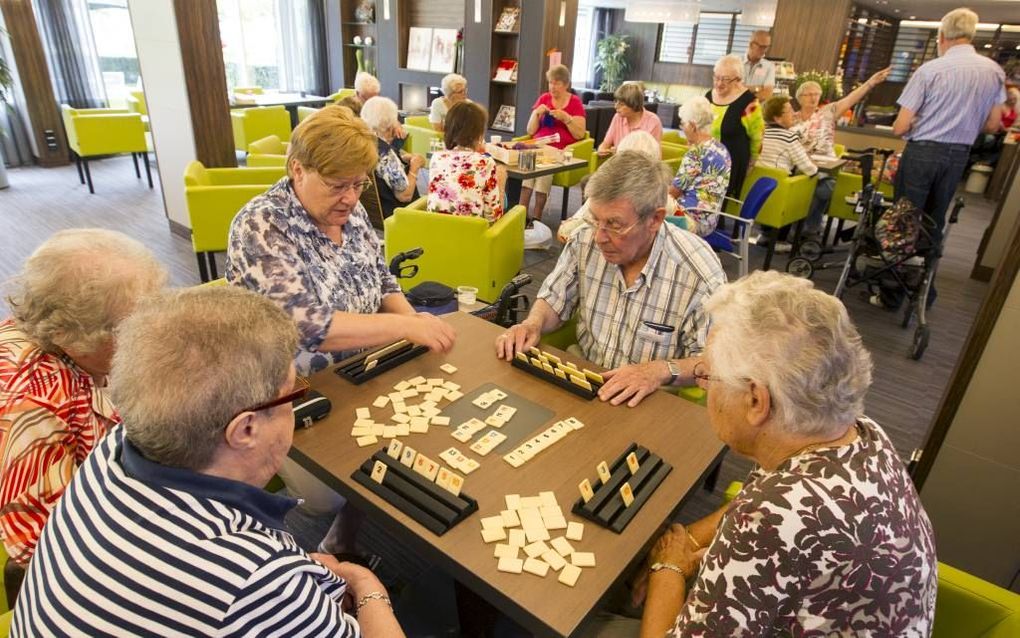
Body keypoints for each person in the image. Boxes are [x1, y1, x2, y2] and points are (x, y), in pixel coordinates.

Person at [10, 286, 405, 637]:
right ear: (245, 429)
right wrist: (366, 583)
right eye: (292, 393)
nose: (298, 401)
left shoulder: (114, 448)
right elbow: (247, 587)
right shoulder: (252, 583)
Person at [634, 271, 936, 636]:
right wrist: (688, 542)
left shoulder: (775, 522)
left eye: (710, 376)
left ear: (756, 400)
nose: (703, 385)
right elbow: (749, 505)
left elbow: (767, 521)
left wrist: (667, 567)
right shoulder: (849, 431)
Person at [226, 105, 455, 555]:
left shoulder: (352, 215)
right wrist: (406, 328)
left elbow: (384, 280)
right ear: (297, 170)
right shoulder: (260, 226)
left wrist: (416, 323)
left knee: (429, 430)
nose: (351, 199)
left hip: (364, 370)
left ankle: (345, 538)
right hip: (295, 394)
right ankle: (318, 552)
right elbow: (309, 326)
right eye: (337, 185)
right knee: (331, 490)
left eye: (358, 184)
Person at [0, 229, 166, 607]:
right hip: (89, 573)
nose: (150, 334)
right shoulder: (32, 400)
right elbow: (44, 544)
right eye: (133, 327)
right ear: (72, 335)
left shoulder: (80, 350)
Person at [496, 151, 726, 408]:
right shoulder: (584, 239)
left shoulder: (698, 272)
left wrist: (657, 371)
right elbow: (555, 299)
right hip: (584, 379)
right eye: (595, 219)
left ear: (655, 220)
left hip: (650, 399)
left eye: (614, 224)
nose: (599, 237)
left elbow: (713, 362)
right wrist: (532, 324)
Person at [891, 8, 1005, 262]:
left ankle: (892, 287)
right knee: (935, 219)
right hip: (958, 155)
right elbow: (993, 125)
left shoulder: (930, 70)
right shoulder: (994, 71)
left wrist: (924, 120)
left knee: (905, 217)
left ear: (943, 36)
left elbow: (899, 127)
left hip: (923, 152)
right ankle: (923, 288)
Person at [758, 95, 829, 247]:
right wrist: (811, 161)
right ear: (777, 118)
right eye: (789, 111)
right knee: (825, 185)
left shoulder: (759, 134)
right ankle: (798, 235)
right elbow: (810, 170)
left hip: (756, 192)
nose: (794, 114)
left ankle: (766, 234)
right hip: (780, 194)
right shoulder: (789, 137)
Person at [520, 64, 587, 225]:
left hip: (559, 150)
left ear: (566, 85)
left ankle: (536, 219)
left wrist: (566, 118)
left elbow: (579, 134)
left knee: (543, 170)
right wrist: (537, 113)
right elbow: (530, 129)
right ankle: (521, 216)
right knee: (528, 167)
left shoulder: (575, 102)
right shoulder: (544, 99)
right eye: (550, 82)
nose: (552, 86)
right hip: (537, 146)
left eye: (557, 83)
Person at [427, 101, 507, 221]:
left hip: (436, 232)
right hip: (472, 236)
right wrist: (501, 184)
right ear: (479, 133)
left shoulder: (436, 157)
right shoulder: (485, 162)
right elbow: (493, 217)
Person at [793, 66, 891, 157]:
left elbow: (850, 100)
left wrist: (870, 83)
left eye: (816, 94)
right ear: (799, 98)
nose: (813, 98)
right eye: (809, 94)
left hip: (825, 161)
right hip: (801, 161)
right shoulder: (792, 118)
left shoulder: (828, 111)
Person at [669, 96, 731, 237]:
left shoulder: (696, 153)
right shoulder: (721, 148)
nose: (683, 129)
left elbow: (673, 193)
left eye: (683, 124)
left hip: (691, 219)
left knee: (647, 212)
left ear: (692, 126)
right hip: (710, 220)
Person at [706, 54, 764, 202]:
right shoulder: (708, 96)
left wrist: (751, 163)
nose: (719, 83)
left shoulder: (749, 102)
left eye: (725, 79)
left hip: (731, 163)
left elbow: (757, 137)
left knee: (717, 206)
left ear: (738, 80)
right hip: (706, 158)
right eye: (716, 77)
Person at [361, 96, 426, 217]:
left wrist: (401, 159)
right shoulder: (385, 155)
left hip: (373, 213)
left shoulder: (362, 141)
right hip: (398, 215)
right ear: (390, 123)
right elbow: (404, 196)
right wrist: (414, 168)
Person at [597, 82, 663, 156]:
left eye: (621, 104)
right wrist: (601, 149)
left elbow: (651, 156)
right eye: (616, 102)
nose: (615, 106)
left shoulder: (653, 121)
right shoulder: (617, 117)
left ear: (634, 105)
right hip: (620, 164)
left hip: (643, 165)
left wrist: (621, 152)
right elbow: (605, 143)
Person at [743, 30, 775, 100]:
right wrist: (758, 88)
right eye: (762, 46)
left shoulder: (769, 67)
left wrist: (744, 98)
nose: (764, 50)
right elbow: (731, 88)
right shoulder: (735, 63)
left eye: (767, 47)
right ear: (751, 44)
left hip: (756, 109)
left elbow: (767, 93)